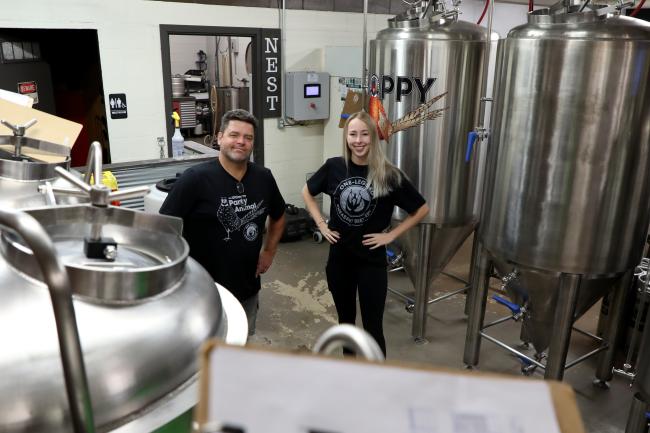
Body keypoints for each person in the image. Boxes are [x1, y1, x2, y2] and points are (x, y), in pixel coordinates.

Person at [302, 111, 428, 356]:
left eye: (364, 134)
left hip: (372, 262)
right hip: (340, 259)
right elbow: (307, 191)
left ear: (373, 137)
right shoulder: (334, 167)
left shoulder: (388, 174)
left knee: (373, 328)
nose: (358, 140)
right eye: (353, 134)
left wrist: (392, 236)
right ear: (346, 137)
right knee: (346, 324)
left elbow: (421, 209)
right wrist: (321, 223)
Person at [160, 109, 286, 335]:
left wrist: (269, 251)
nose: (241, 142)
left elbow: (278, 215)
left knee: (242, 343)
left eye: (248, 138)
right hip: (203, 292)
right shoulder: (195, 179)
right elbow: (164, 229)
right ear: (219, 138)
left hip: (247, 288)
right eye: (234, 135)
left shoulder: (263, 177)